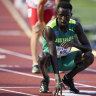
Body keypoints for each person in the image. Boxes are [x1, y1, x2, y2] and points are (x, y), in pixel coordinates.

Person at [38, 1, 94, 95]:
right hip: (51, 61)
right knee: (42, 56)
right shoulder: (50, 28)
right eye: (61, 16)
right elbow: (52, 53)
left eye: (67, 16)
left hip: (66, 59)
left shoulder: (75, 25)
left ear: (71, 15)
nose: (63, 19)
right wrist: (57, 79)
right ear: (56, 14)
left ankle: (68, 78)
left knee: (89, 56)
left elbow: (88, 47)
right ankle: (45, 80)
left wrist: (73, 44)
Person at [26, 0, 56, 73]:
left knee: (52, 31)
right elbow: (40, 5)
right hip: (35, 6)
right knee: (36, 31)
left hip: (49, 7)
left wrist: (54, 17)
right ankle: (35, 64)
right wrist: (40, 21)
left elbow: (60, 6)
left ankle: (55, 61)